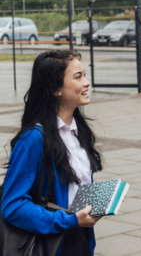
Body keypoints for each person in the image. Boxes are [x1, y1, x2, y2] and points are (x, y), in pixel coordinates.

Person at [1, 50, 103, 256]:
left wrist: (102, 200)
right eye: (78, 77)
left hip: (80, 236)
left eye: (85, 75)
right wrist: (69, 220)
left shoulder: (77, 130)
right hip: (51, 242)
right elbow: (12, 205)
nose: (87, 82)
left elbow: (75, 185)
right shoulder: (33, 139)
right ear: (56, 89)